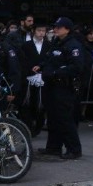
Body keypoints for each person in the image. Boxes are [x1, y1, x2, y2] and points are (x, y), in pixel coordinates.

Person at [35, 17, 84, 159]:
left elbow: (76, 67)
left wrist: (57, 72)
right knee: (52, 117)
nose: (55, 29)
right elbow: (50, 59)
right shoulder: (56, 43)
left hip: (63, 86)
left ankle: (74, 149)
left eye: (58, 27)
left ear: (67, 29)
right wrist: (41, 66)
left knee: (64, 118)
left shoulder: (73, 45)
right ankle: (53, 147)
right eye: (55, 27)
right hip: (51, 85)